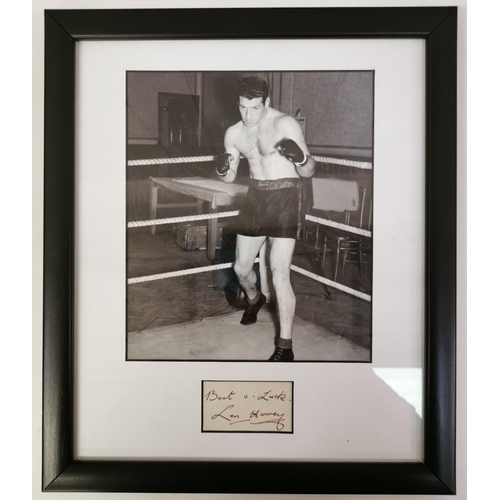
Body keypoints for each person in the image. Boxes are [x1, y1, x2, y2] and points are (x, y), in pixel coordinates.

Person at [215, 76, 315, 362]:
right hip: (255, 197)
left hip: (285, 196)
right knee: (241, 268)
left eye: (255, 108)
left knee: (279, 272)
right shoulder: (234, 133)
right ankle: (255, 299)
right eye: (243, 108)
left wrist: (300, 159)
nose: (248, 115)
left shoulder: (284, 124)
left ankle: (285, 347)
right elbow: (230, 175)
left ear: (267, 102)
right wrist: (222, 169)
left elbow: (309, 170)